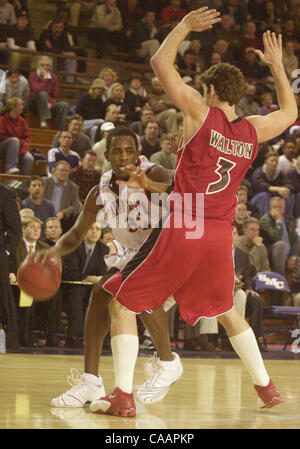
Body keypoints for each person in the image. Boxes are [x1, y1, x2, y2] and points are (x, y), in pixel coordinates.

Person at [92, 8, 298, 412]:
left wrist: (185, 25)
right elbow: (290, 113)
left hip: (186, 219)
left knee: (121, 302)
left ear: (211, 91)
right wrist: (277, 67)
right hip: (222, 233)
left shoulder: (200, 113)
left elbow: (158, 62)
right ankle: (267, 388)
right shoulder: (253, 129)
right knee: (224, 310)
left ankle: (123, 396)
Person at [37, 126, 182, 414]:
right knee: (99, 294)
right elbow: (77, 233)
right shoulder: (100, 190)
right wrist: (52, 251)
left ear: (139, 152)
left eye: (130, 150)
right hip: (131, 257)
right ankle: (91, 380)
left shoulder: (155, 173)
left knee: (128, 298)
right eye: (117, 151)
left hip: (165, 253)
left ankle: (168, 362)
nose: (124, 157)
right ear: (107, 154)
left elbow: (184, 185)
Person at [0, 183, 21, 351]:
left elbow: (15, 230)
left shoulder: (6, 194)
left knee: (4, 299)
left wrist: (5, 251)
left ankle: (9, 343)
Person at [29, 56, 69, 130]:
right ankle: (44, 120)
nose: (45, 67)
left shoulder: (53, 77)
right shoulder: (33, 76)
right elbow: (37, 91)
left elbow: (55, 96)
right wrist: (45, 79)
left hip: (48, 105)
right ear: (38, 66)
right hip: (35, 104)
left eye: (47, 65)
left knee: (64, 105)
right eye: (42, 65)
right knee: (43, 94)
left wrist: (50, 103)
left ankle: (60, 131)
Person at [250, 150, 294, 218]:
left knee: (288, 195)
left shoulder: (280, 173)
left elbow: (289, 184)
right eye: (272, 161)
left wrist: (286, 190)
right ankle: (266, 220)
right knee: (265, 195)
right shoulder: (259, 172)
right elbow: (259, 186)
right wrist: (278, 189)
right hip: (257, 198)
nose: (274, 163)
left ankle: (286, 219)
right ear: (266, 161)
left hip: (273, 198)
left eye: (276, 161)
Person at [42, 160, 82, 232]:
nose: (64, 173)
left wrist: (63, 213)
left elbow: (76, 205)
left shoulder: (73, 188)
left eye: (66, 171)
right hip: (43, 215)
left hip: (62, 220)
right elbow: (40, 199)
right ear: (54, 170)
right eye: (61, 170)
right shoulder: (44, 182)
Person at [0, 96, 33, 174]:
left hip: (17, 148)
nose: (23, 107)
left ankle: (21, 181)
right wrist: (18, 142)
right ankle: (10, 168)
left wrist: (23, 149)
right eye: (20, 104)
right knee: (14, 140)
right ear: (13, 107)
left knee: (29, 158)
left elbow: (27, 137)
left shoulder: (22, 121)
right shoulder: (2, 119)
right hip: (3, 147)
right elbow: (1, 136)